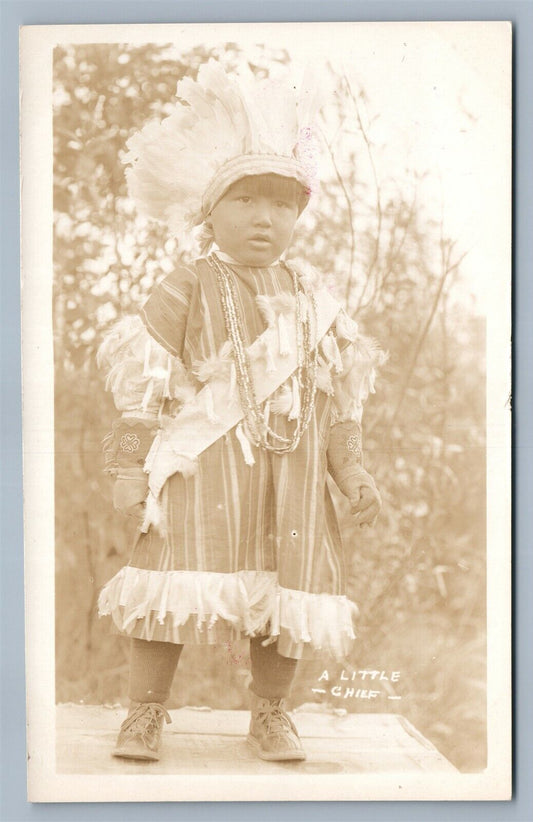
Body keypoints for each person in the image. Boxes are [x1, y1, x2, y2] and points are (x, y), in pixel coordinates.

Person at [97, 60, 384, 764]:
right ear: (210, 210)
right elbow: (147, 386)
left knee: (281, 599)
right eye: (248, 200)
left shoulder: (320, 300)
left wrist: (352, 474)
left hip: (291, 480)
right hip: (200, 471)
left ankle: (272, 714)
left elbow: (340, 399)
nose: (265, 217)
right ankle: (143, 714)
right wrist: (128, 467)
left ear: (298, 215)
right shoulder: (187, 284)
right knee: (166, 589)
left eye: (282, 205)